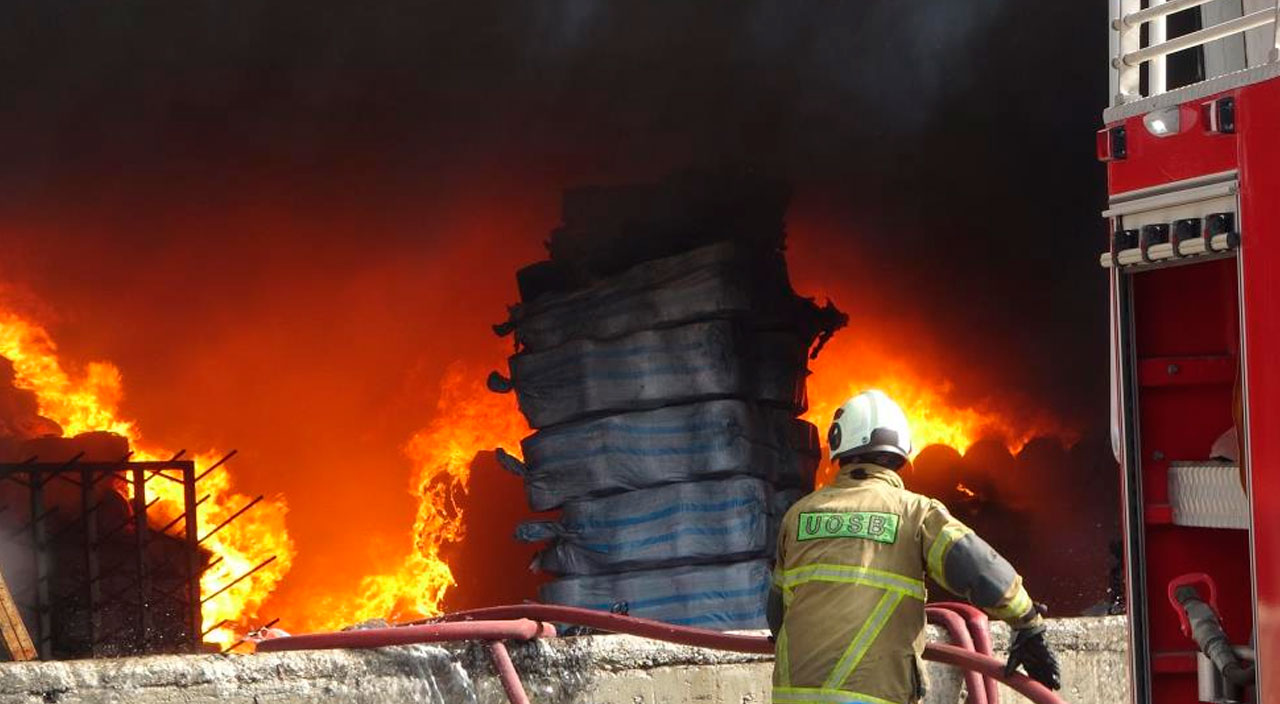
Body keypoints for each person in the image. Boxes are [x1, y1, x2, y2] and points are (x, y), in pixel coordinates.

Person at [767, 389, 1060, 704]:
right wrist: (1027, 622)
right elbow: (981, 569)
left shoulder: (798, 516)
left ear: (839, 445)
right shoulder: (916, 513)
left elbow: (777, 612)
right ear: (899, 453)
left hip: (792, 696)